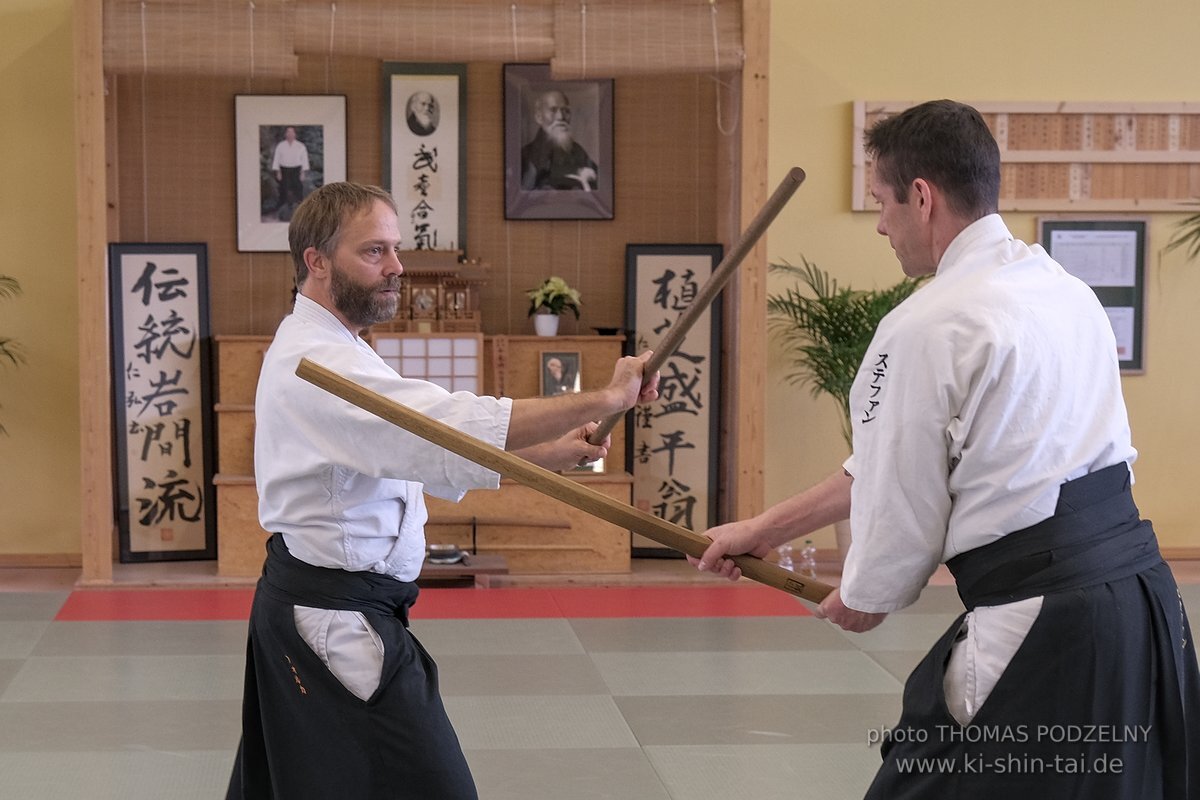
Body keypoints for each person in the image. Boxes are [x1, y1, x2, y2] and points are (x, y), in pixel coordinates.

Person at [696, 100, 1199, 798]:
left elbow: (903, 494)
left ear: (922, 197)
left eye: (881, 201)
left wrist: (867, 592)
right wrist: (762, 530)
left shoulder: (926, 324)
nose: (878, 223)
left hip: (1040, 620)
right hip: (1143, 606)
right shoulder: (1066, 292)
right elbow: (890, 464)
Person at [226, 181, 659, 799]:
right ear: (315, 261)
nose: (397, 268)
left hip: (334, 608)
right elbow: (443, 425)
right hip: (336, 622)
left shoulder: (338, 349)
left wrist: (550, 455)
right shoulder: (316, 366)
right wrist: (605, 397)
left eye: (395, 250)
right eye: (374, 251)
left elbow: (414, 453)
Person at [520, 89, 598, 191]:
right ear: (539, 117)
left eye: (565, 111)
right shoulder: (525, 156)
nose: (561, 117)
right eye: (553, 110)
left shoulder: (578, 151)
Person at [270, 126, 310, 218]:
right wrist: (278, 172)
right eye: (288, 132)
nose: (290, 134)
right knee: (283, 188)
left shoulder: (300, 146)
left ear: (295, 134)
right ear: (285, 134)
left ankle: (301, 210)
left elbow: (304, 160)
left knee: (298, 188)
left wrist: (303, 172)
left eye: (292, 132)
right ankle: (281, 209)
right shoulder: (281, 146)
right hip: (284, 170)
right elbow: (277, 159)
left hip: (296, 169)